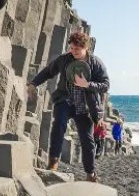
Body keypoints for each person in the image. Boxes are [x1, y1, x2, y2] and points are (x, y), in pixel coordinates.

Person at [28, 31, 109, 182]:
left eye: (76, 49)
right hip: (65, 100)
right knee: (59, 125)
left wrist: (88, 84)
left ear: (85, 47)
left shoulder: (96, 63)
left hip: (85, 107)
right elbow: (48, 71)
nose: (73, 51)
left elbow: (105, 85)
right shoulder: (65, 59)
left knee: (88, 140)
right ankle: (53, 161)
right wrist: (33, 83)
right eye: (71, 48)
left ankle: (90, 173)